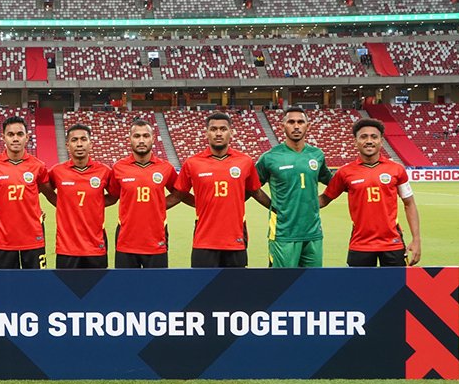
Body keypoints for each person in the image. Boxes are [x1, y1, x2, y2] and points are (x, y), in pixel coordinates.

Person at [171, 112, 270, 268]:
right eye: (213, 129)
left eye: (223, 129)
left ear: (231, 132)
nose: (218, 133)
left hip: (235, 240)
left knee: (235, 290)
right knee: (202, 290)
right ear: (206, 133)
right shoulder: (192, 163)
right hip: (203, 241)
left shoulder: (245, 161)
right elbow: (178, 195)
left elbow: (255, 192)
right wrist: (201, 203)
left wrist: (276, 208)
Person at [319, 118, 422, 266]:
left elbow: (409, 204)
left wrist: (416, 239)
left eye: (374, 137)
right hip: (360, 244)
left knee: (398, 289)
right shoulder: (344, 172)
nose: (369, 141)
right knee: (359, 289)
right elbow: (324, 199)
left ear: (381, 140)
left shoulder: (397, 169)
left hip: (393, 244)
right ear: (355, 141)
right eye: (363, 136)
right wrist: (293, 206)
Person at [255, 107, 333, 267]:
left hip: (313, 233)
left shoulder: (317, 155)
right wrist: (272, 205)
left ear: (307, 126)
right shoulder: (270, 157)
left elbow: (334, 183)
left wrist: (324, 199)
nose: (296, 126)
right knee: (282, 284)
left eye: (300, 122)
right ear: (283, 126)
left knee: (313, 283)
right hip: (284, 233)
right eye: (291, 122)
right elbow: (252, 187)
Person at [0, 115, 52, 269]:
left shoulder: (38, 166)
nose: (15, 138)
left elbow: (46, 192)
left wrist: (30, 206)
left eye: (20, 134)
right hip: (3, 238)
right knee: (5, 287)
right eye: (10, 134)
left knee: (36, 284)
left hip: (34, 236)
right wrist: (2, 207)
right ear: (3, 137)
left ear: (27, 137)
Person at [108, 119, 180, 268]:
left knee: (156, 288)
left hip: (156, 240)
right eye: (137, 136)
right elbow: (113, 196)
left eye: (146, 136)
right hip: (125, 241)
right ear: (130, 139)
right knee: (126, 288)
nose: (141, 140)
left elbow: (179, 193)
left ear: (153, 139)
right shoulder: (118, 168)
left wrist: (159, 205)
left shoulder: (165, 167)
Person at [46, 123, 117, 269]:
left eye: (83, 139)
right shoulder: (57, 171)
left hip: (96, 246)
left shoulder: (104, 171)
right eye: (74, 140)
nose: (79, 144)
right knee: (66, 290)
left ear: (90, 144)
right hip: (66, 248)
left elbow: (114, 196)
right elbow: (46, 190)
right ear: (67, 145)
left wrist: (95, 203)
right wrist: (62, 203)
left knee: (97, 290)